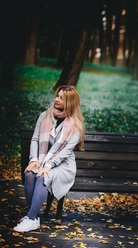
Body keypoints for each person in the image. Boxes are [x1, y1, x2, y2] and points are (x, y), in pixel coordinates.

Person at [13, 85, 85, 232]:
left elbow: (65, 151)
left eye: (61, 98)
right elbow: (35, 140)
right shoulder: (44, 117)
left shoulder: (75, 125)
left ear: (70, 103)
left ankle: (31, 218)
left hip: (63, 165)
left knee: (42, 176)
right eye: (57, 96)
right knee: (29, 174)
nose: (56, 99)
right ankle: (33, 217)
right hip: (42, 159)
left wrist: (48, 165)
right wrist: (34, 160)